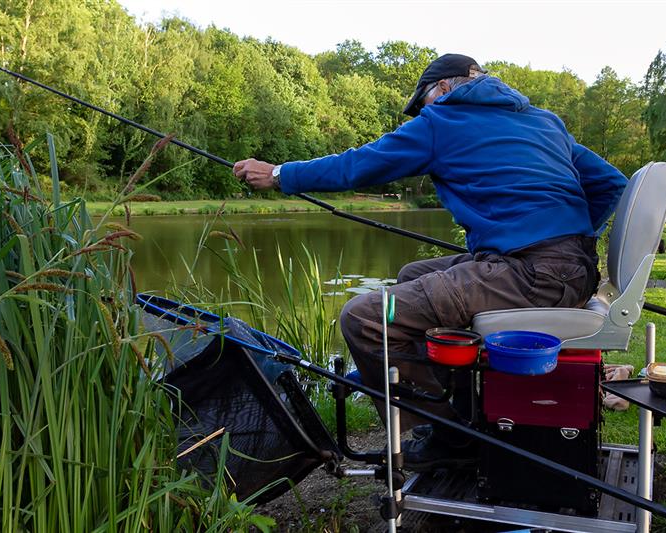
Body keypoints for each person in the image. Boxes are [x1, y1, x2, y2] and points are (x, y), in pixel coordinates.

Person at [234, 53, 627, 470]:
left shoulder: (443, 120)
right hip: (571, 271)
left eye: (422, 103)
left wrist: (278, 174)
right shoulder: (544, 121)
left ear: (442, 88)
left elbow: (358, 165)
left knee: (364, 318)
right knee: (412, 274)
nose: (422, 112)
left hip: (532, 275)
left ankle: (452, 438)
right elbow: (611, 183)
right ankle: (459, 409)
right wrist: (565, 236)